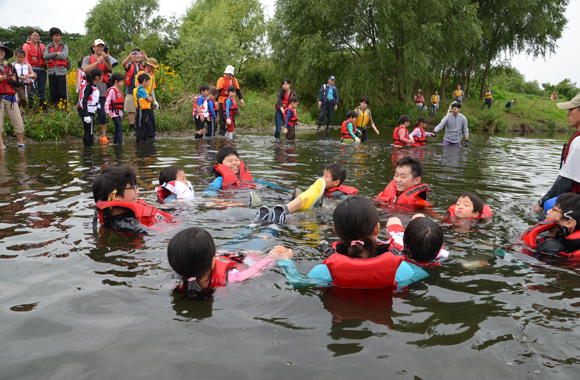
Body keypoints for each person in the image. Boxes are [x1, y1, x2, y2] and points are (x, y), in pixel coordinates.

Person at [274, 196, 432, 288]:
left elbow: (296, 282)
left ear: (335, 230)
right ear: (376, 229)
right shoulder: (403, 269)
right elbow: (423, 272)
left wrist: (285, 261)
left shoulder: (324, 272)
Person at [168, 227, 283, 298]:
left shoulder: (177, 279)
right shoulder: (232, 277)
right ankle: (269, 225)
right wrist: (273, 257)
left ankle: (260, 224)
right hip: (248, 257)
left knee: (248, 239)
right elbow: (255, 270)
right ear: (213, 262)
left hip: (225, 255)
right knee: (253, 239)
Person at [254, 163, 358, 226]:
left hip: (315, 213)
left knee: (303, 214)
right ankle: (263, 202)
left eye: (326, 176)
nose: (322, 178)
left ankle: (274, 213)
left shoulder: (339, 194)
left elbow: (343, 205)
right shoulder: (321, 189)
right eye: (323, 174)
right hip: (307, 207)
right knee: (288, 198)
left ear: (336, 182)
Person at [533, 94, 580, 213]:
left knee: (548, 206)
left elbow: (565, 181)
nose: (567, 114)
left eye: (571, 110)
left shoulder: (578, 142)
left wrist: (541, 203)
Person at [92, 166, 174, 235]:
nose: (138, 191)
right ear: (115, 195)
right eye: (133, 188)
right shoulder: (127, 226)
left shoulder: (110, 218)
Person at [522, 193, 580, 259]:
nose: (548, 211)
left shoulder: (551, 247)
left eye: (554, 210)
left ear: (569, 223)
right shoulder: (553, 240)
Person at [82, 39, 113, 144]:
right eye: (98, 46)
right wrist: (97, 62)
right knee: (88, 110)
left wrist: (107, 59)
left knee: (102, 112)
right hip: (90, 87)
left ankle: (104, 135)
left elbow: (109, 68)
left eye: (102, 47)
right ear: (93, 47)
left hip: (102, 88)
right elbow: (85, 69)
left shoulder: (106, 59)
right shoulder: (87, 58)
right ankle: (88, 133)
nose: (100, 48)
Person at [0, 43, 26, 149]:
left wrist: (15, 80)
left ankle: (21, 143)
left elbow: (18, 84)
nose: (0, 52)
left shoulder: (10, 66)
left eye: (2, 50)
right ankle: (1, 144)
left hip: (11, 97)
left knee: (18, 122)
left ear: (5, 53)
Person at [121, 49, 146, 134]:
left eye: (139, 54)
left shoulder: (143, 65)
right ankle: (132, 127)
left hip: (141, 91)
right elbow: (123, 64)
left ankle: (141, 126)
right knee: (131, 110)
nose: (137, 56)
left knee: (142, 109)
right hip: (131, 91)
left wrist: (145, 56)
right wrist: (129, 56)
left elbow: (151, 65)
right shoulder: (129, 65)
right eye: (135, 54)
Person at [43, 27, 69, 107]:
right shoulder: (48, 46)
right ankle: (56, 106)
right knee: (53, 91)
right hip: (51, 71)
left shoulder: (64, 46)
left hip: (61, 71)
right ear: (52, 36)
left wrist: (51, 56)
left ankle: (65, 107)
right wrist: (55, 53)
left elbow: (63, 56)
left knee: (62, 91)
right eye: (56, 35)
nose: (58, 37)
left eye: (59, 35)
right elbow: (45, 56)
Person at [216, 65, 245, 136]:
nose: (228, 75)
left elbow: (238, 90)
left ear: (232, 74)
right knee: (223, 117)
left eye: (230, 74)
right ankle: (222, 132)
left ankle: (230, 130)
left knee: (232, 117)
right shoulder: (221, 80)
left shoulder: (235, 80)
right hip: (223, 101)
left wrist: (241, 99)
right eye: (227, 73)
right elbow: (218, 91)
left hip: (232, 101)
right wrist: (216, 101)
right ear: (225, 73)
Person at [135, 58, 160, 139]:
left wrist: (154, 101)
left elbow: (152, 89)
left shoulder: (152, 75)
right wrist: (145, 96)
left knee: (150, 118)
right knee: (142, 119)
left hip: (148, 98)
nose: (151, 68)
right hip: (142, 99)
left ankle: (150, 136)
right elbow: (138, 86)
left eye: (153, 67)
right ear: (147, 65)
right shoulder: (141, 73)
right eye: (150, 66)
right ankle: (141, 137)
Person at [78, 68, 102, 147]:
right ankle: (88, 148)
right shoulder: (89, 87)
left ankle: (90, 146)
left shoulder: (93, 86)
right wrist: (86, 114)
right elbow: (84, 101)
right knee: (88, 131)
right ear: (97, 77)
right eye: (101, 76)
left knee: (90, 130)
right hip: (87, 111)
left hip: (91, 110)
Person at [23, 29, 47, 109]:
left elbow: (47, 55)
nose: (36, 37)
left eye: (37, 35)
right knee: (32, 89)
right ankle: (31, 106)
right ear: (29, 36)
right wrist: (31, 72)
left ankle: (42, 106)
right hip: (32, 69)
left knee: (42, 89)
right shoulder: (26, 46)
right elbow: (25, 59)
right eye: (34, 35)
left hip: (42, 70)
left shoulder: (42, 46)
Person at [104, 72, 125, 145]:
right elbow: (107, 102)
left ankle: (115, 143)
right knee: (120, 128)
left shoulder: (119, 91)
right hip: (113, 113)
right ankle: (120, 144)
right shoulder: (112, 90)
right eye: (121, 81)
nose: (122, 83)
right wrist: (107, 112)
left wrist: (121, 114)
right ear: (116, 81)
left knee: (117, 128)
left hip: (118, 113)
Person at [133, 73, 153, 143]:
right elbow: (150, 99)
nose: (148, 83)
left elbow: (149, 98)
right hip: (142, 111)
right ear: (144, 80)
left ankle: (146, 141)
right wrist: (150, 97)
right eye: (148, 82)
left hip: (146, 111)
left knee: (148, 127)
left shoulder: (143, 90)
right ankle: (139, 142)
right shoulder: (141, 90)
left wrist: (150, 97)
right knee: (142, 127)